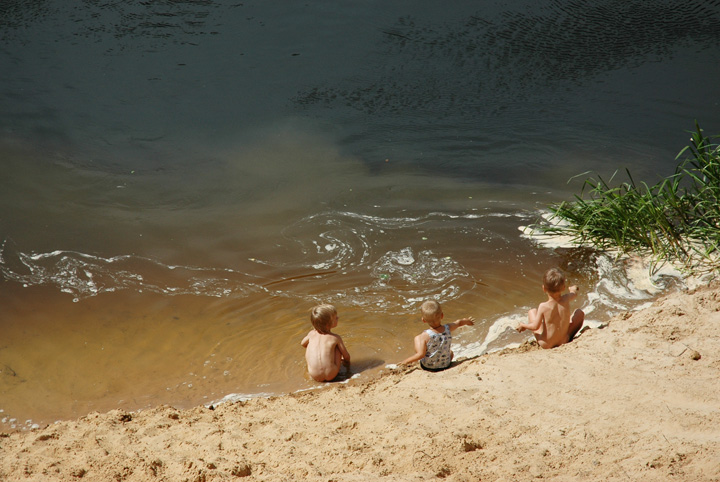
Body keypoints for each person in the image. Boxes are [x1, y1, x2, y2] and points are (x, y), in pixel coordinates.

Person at [516, 267, 585, 349]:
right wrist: (572, 289)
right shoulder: (567, 298)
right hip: (563, 341)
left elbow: (535, 327)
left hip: (546, 344)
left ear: (544, 288)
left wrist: (523, 325)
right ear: (563, 288)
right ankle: (568, 336)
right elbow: (574, 294)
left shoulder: (543, 306)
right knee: (579, 313)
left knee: (532, 311)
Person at [400, 300, 474, 371]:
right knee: (450, 352)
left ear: (423, 320)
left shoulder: (425, 336)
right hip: (446, 365)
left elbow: (421, 355)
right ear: (442, 315)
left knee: (417, 338)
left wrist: (405, 362)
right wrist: (468, 321)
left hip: (428, 367)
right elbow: (458, 323)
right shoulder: (448, 328)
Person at [300, 304, 351, 382]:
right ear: (328, 324)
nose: (338, 318)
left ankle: (313, 368)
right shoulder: (335, 337)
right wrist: (347, 364)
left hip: (315, 376)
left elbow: (303, 344)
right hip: (331, 374)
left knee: (309, 345)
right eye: (335, 318)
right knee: (337, 347)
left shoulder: (311, 334)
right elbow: (346, 356)